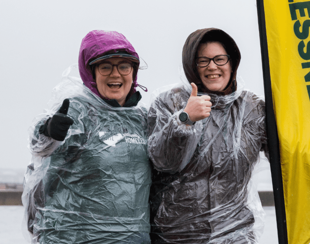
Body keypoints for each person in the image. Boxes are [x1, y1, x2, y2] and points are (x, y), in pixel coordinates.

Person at [23, 30, 151, 244]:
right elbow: (39, 147)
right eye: (106, 67)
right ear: (91, 72)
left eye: (124, 66)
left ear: (133, 72)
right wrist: (48, 129)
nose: (116, 74)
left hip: (134, 238)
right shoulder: (76, 110)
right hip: (74, 237)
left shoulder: (143, 118)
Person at [147, 28, 267, 244]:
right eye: (203, 61)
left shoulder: (252, 108)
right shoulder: (169, 103)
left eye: (220, 59)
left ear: (232, 63)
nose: (212, 66)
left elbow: (289, 156)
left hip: (236, 235)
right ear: (192, 67)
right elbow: (163, 161)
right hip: (178, 236)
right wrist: (184, 119)